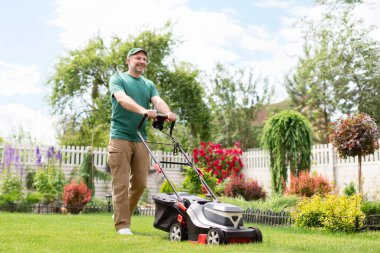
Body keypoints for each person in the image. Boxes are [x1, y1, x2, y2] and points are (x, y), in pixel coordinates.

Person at [108, 47, 176, 235]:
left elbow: (157, 100)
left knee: (140, 184)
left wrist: (168, 112)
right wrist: (143, 111)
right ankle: (122, 225)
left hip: (140, 139)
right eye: (138, 58)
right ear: (128, 60)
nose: (142, 61)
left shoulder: (148, 84)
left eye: (145, 59)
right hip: (120, 137)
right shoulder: (118, 79)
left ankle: (121, 215)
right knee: (120, 184)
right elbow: (122, 99)